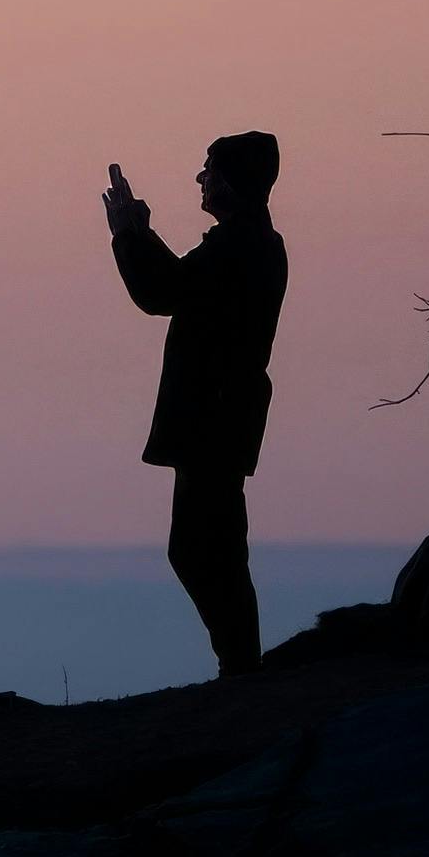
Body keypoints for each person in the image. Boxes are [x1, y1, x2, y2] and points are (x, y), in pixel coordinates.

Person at [101, 131, 286, 679]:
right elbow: (176, 288)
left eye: (209, 170)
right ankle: (239, 664)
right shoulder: (244, 243)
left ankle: (241, 667)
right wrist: (136, 234)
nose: (200, 179)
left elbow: (165, 292)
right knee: (209, 546)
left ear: (231, 182)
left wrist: (132, 234)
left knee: (205, 548)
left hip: (217, 417)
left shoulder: (240, 246)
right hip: (219, 416)